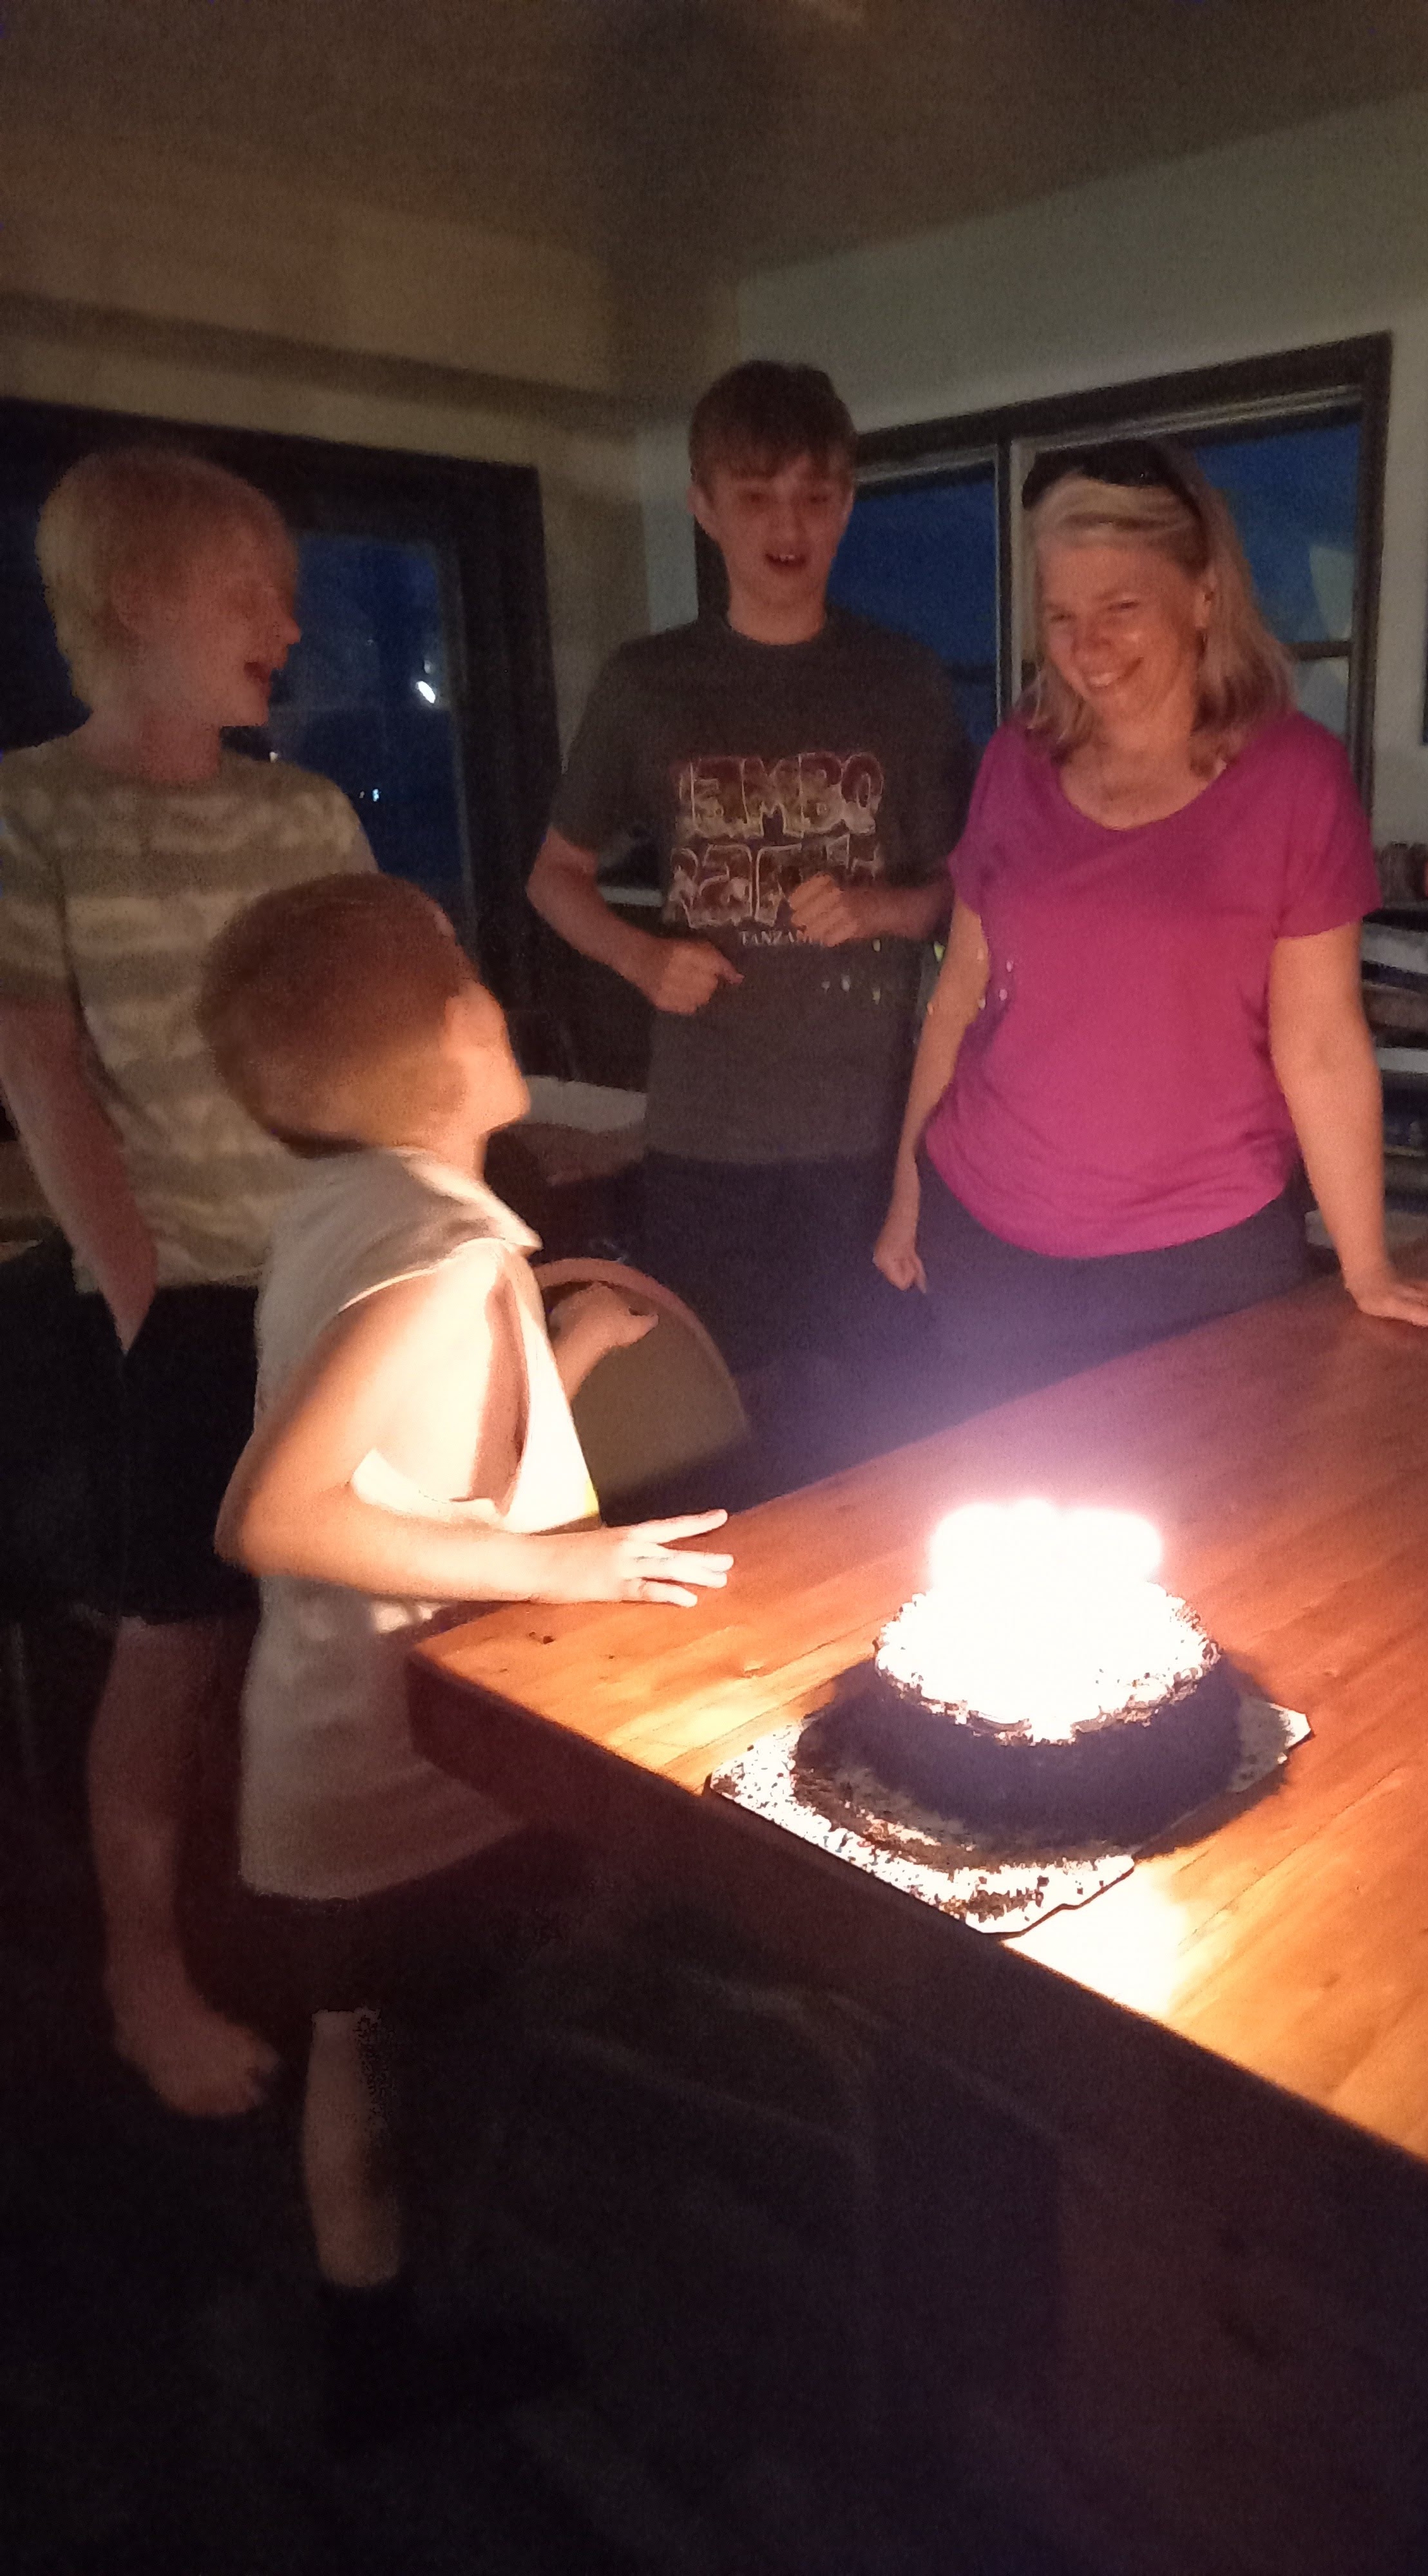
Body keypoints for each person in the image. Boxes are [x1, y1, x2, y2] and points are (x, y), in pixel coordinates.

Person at [200, 871, 732, 2443]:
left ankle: (369, 2335)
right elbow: (275, 1512)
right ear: (455, 1036)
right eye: (482, 988)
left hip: (345, 1726)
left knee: (366, 2037)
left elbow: (416, 1444)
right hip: (400, 1740)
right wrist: (569, 1562)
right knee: (401, 2039)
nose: (501, 1004)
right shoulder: (437, 1243)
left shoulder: (353, 1210)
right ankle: (406, 2337)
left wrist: (568, 1352)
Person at [873, 438, 1428, 1401]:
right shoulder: (1017, 758)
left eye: (1121, 609)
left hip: (1204, 1258)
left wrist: (1368, 1267)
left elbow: (1321, 1045)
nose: (1088, 648)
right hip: (988, 1237)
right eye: (1061, 617)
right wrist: (907, 1192)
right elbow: (959, 995)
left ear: (1204, 596)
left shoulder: (1295, 778)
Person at [0, 447, 375, 2116]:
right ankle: (142, 1971)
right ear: (138, 603)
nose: (287, 628)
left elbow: (365, 1029)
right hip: (184, 1291)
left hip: (334, 1275)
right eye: (251, 597)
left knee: (345, 1611)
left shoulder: (303, 814)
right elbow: (40, 1068)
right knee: (174, 1642)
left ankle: (336, 1913)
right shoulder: (31, 809)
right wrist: (145, 1301)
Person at [526, 359, 974, 1452]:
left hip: (873, 1131)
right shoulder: (648, 683)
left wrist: (881, 908)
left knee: (885, 1419)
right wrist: (640, 958)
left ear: (847, 505)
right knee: (721, 1416)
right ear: (703, 506)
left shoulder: (904, 681)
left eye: (815, 496)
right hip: (707, 1132)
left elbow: (969, 896)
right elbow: (554, 876)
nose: (789, 524)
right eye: (757, 495)